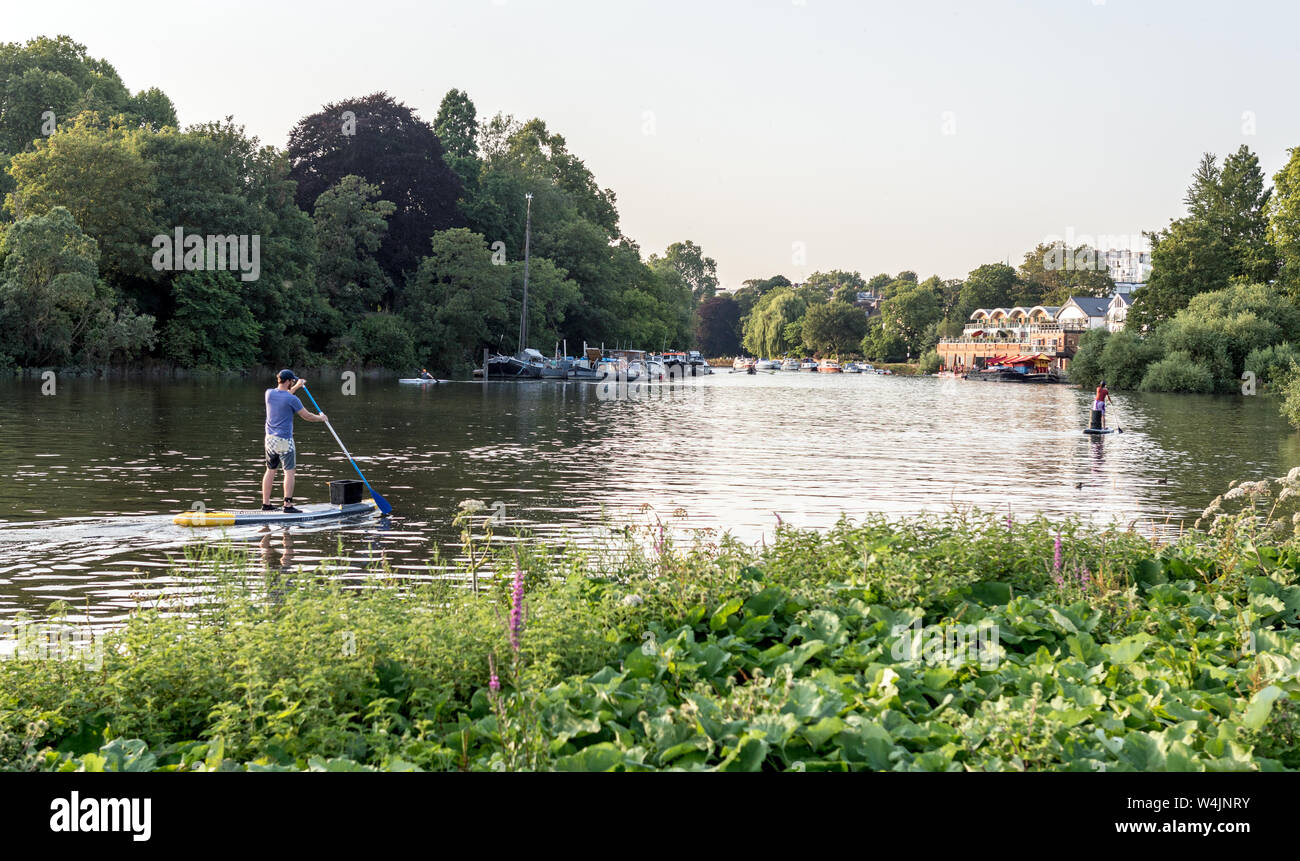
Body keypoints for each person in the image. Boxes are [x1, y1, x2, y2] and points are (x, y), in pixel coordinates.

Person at [262, 369, 328, 513]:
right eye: (292, 381)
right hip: (284, 440)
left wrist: (297, 386)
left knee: (270, 470)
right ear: (288, 381)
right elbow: (307, 416)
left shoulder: (269, 393)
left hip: (269, 440)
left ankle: (266, 504)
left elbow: (285, 396)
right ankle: (287, 505)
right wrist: (320, 418)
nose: (292, 382)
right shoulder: (292, 399)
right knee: (289, 472)